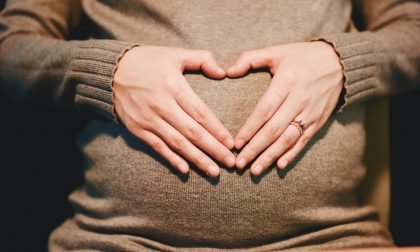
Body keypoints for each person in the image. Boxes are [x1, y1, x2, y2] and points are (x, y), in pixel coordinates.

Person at [0, 0, 419, 251]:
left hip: (329, 241)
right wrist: (105, 71)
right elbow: (11, 48)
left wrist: (343, 62)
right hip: (118, 241)